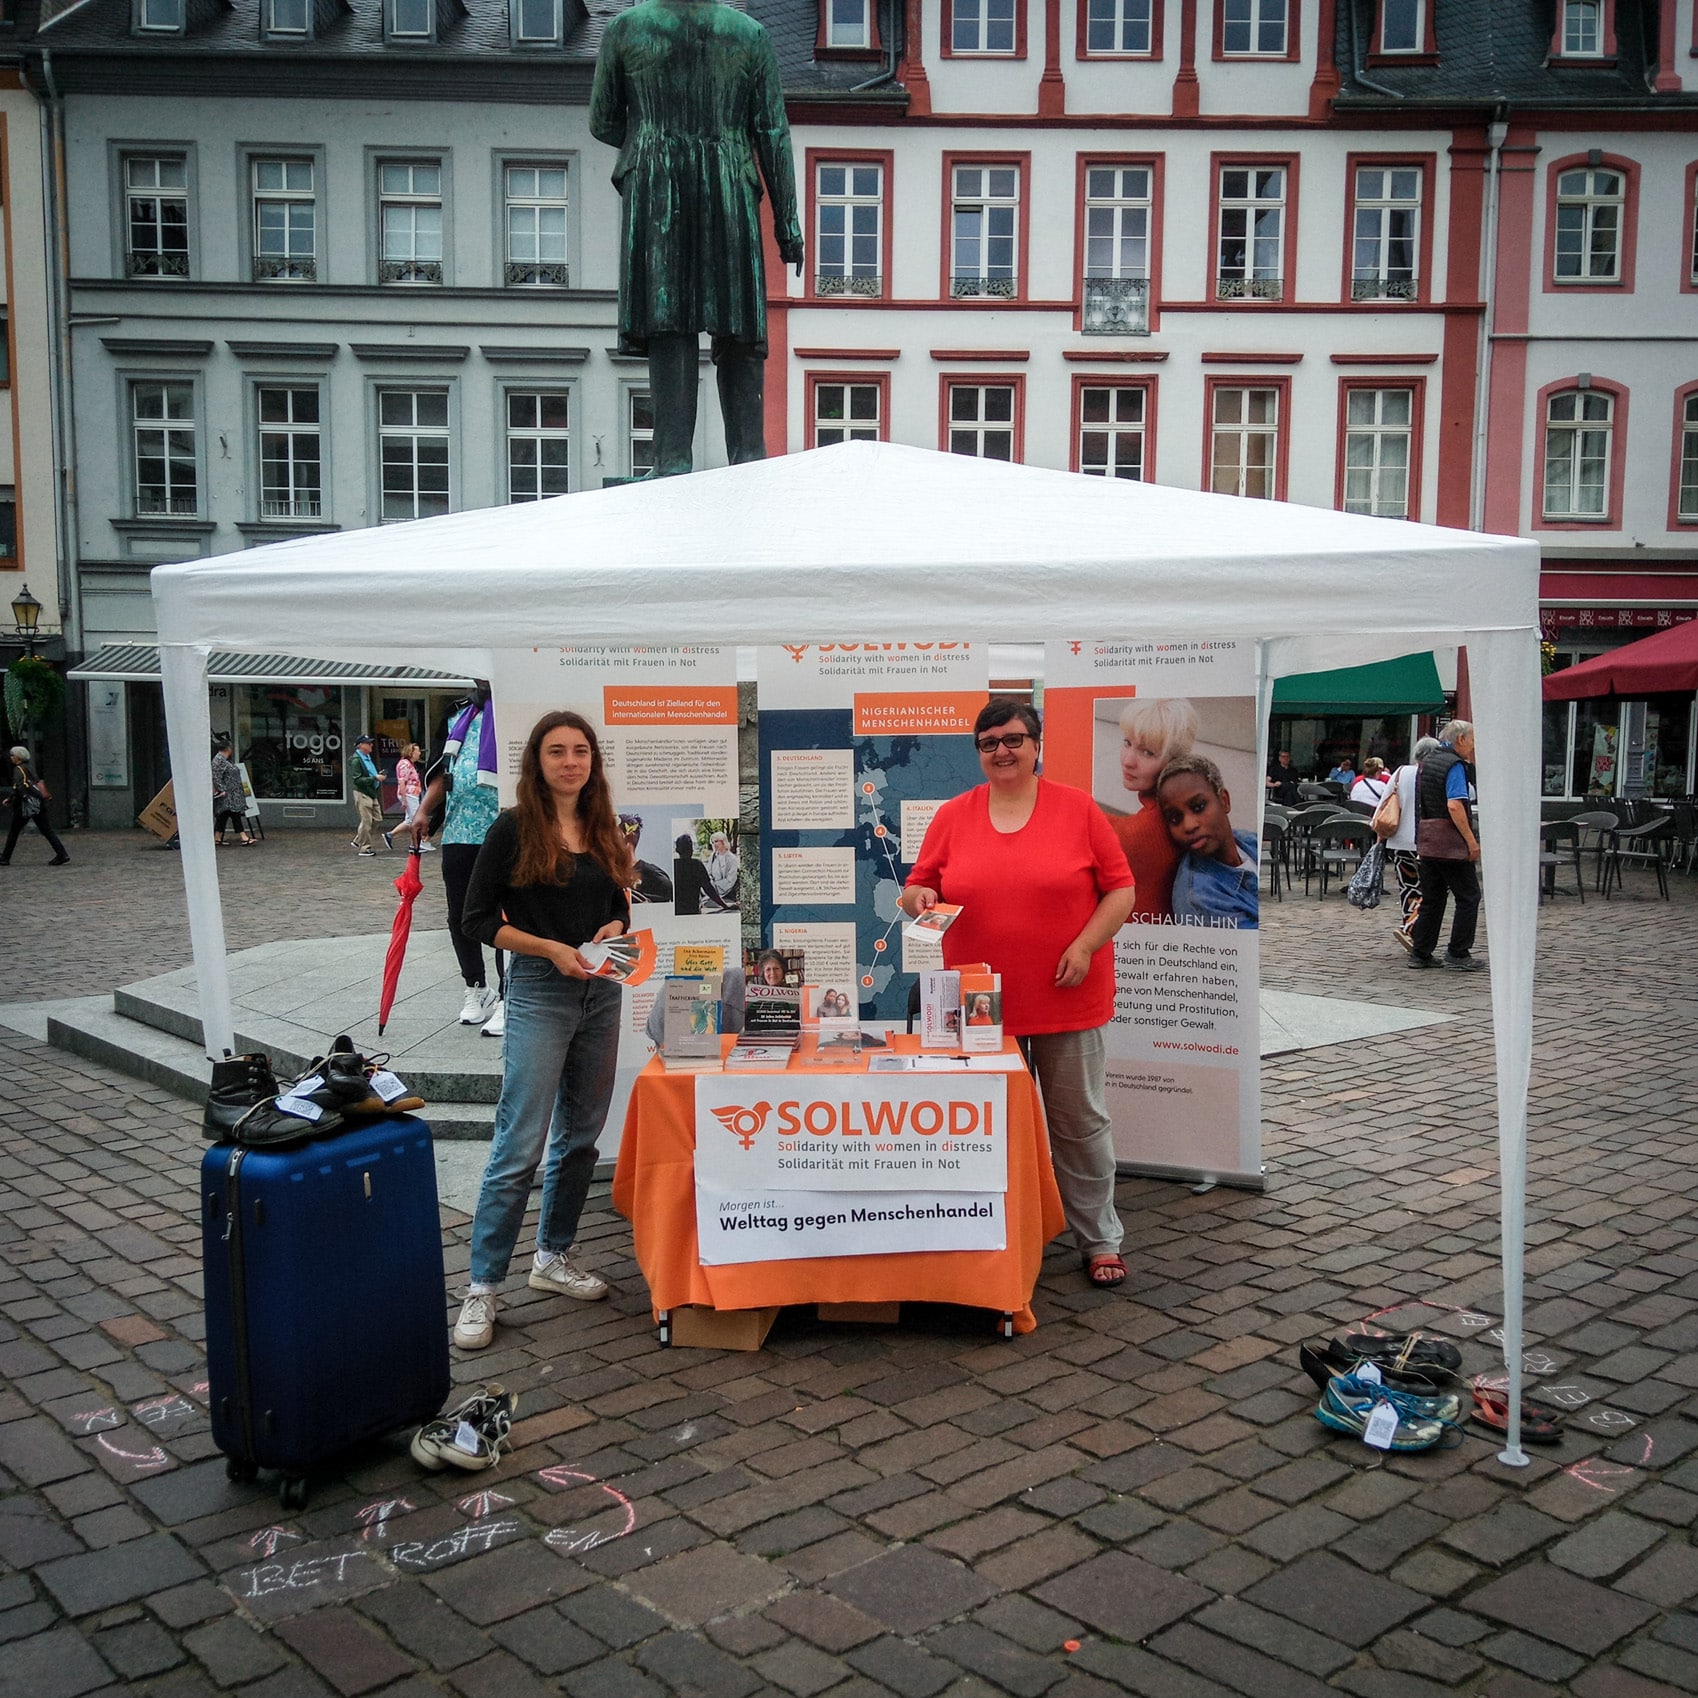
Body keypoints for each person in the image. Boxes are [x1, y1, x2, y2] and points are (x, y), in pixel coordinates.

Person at [901, 698, 1136, 1287]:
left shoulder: (1078, 809)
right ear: (978, 752)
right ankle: (992, 1232)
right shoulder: (953, 815)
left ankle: (1099, 1239)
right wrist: (918, 899)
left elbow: (1121, 890)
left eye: (1013, 739)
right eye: (989, 743)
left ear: (1036, 745)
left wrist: (1085, 945)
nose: (1002, 751)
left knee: (1079, 1124)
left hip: (1066, 997)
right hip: (979, 1005)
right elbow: (917, 886)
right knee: (985, 1125)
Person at [450, 711, 635, 1350]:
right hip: (539, 987)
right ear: (537, 761)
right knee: (519, 1144)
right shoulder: (513, 827)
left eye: (580, 751)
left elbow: (617, 903)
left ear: (593, 761)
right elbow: (475, 919)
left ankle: (552, 1256)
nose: (570, 762)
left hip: (601, 989)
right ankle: (482, 1286)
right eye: (557, 751)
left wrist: (616, 927)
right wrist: (549, 948)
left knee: (580, 1138)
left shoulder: (604, 825)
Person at [589, 0, 803, 476]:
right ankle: (749, 459)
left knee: (670, 322)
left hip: (657, 179)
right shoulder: (748, 34)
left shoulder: (625, 29)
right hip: (728, 177)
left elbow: (602, 120)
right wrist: (787, 222)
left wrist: (652, 134)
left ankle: (671, 461)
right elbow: (771, 131)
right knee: (738, 323)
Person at [412, 686, 507, 1035]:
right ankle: (477, 987)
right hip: (459, 830)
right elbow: (444, 773)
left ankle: (508, 996)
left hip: (503, 831)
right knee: (461, 917)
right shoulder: (458, 715)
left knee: (504, 915)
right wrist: (424, 810)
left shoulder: (513, 710)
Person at [1111, 697, 1198, 923]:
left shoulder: (1142, 829)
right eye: (1127, 742)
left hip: (1136, 940)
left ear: (1174, 762)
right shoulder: (1178, 812)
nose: (1128, 761)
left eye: (1147, 752)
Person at [1409, 720, 1483, 971]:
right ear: (1460, 739)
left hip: (1429, 839)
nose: (1473, 747)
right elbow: (1454, 805)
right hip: (1450, 842)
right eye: (1472, 741)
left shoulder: (1428, 762)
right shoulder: (1454, 765)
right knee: (1469, 896)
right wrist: (1471, 841)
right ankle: (1458, 951)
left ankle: (1421, 952)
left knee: (1433, 898)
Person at [1158, 756, 1259, 929]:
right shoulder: (1203, 899)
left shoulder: (1249, 841)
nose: (1189, 825)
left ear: (1224, 801)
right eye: (1175, 818)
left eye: (1198, 807)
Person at [1382, 737, 1438, 951]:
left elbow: (1384, 802)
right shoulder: (1437, 774)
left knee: (1408, 887)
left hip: (1400, 841)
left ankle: (1411, 927)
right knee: (1433, 889)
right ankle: (1412, 928)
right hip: (1428, 842)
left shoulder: (1400, 772)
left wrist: (1381, 837)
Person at [1, 745, 69, 867]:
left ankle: (5, 857)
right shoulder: (29, 767)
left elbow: (19, 786)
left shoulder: (18, 769)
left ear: (18, 757)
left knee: (14, 831)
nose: (11, 757)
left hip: (25, 805)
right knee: (47, 830)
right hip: (38, 802)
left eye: (12, 755)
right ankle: (62, 853)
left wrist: (11, 799)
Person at [348, 733, 384, 858]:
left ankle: (358, 839)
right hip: (362, 793)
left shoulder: (367, 757)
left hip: (371, 792)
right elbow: (357, 780)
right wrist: (375, 778)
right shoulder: (356, 760)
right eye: (368, 743)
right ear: (360, 745)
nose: (371, 745)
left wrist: (377, 776)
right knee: (367, 821)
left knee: (377, 818)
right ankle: (365, 848)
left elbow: (369, 772)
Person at [212, 738, 252, 846]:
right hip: (228, 794)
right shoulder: (219, 760)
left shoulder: (223, 760)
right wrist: (221, 789)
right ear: (228, 749)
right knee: (234, 813)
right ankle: (243, 837)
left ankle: (217, 837)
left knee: (224, 815)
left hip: (231, 793)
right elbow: (216, 776)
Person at [390, 742, 424, 850]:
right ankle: (416, 844)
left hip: (412, 794)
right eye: (418, 751)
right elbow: (402, 782)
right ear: (411, 753)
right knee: (416, 819)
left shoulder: (409, 764)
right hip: (409, 794)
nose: (419, 753)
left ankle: (390, 835)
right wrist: (404, 799)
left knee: (410, 820)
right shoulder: (405, 764)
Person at [672, 833, 716, 916]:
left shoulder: (674, 865)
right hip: (692, 911)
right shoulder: (697, 865)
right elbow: (709, 890)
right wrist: (725, 905)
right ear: (691, 849)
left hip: (677, 912)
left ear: (677, 850)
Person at [706, 830, 740, 910]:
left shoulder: (732, 858)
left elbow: (731, 880)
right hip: (712, 894)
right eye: (713, 842)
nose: (714, 844)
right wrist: (711, 887)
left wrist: (715, 887)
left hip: (727, 894)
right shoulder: (713, 857)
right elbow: (708, 873)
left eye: (716, 841)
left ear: (723, 842)